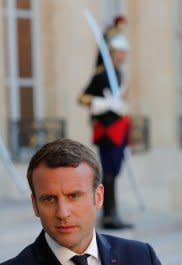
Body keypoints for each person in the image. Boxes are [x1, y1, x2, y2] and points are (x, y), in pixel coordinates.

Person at [0, 139, 173, 265]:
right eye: (49, 199)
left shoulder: (141, 261)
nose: (62, 213)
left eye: (73, 196)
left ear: (98, 197)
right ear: (35, 205)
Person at [78, 34, 133, 229]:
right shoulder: (101, 74)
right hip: (107, 131)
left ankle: (112, 212)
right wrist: (105, 103)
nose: (124, 55)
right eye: (121, 51)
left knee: (114, 172)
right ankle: (108, 214)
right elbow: (83, 98)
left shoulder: (118, 74)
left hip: (118, 130)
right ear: (112, 53)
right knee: (108, 172)